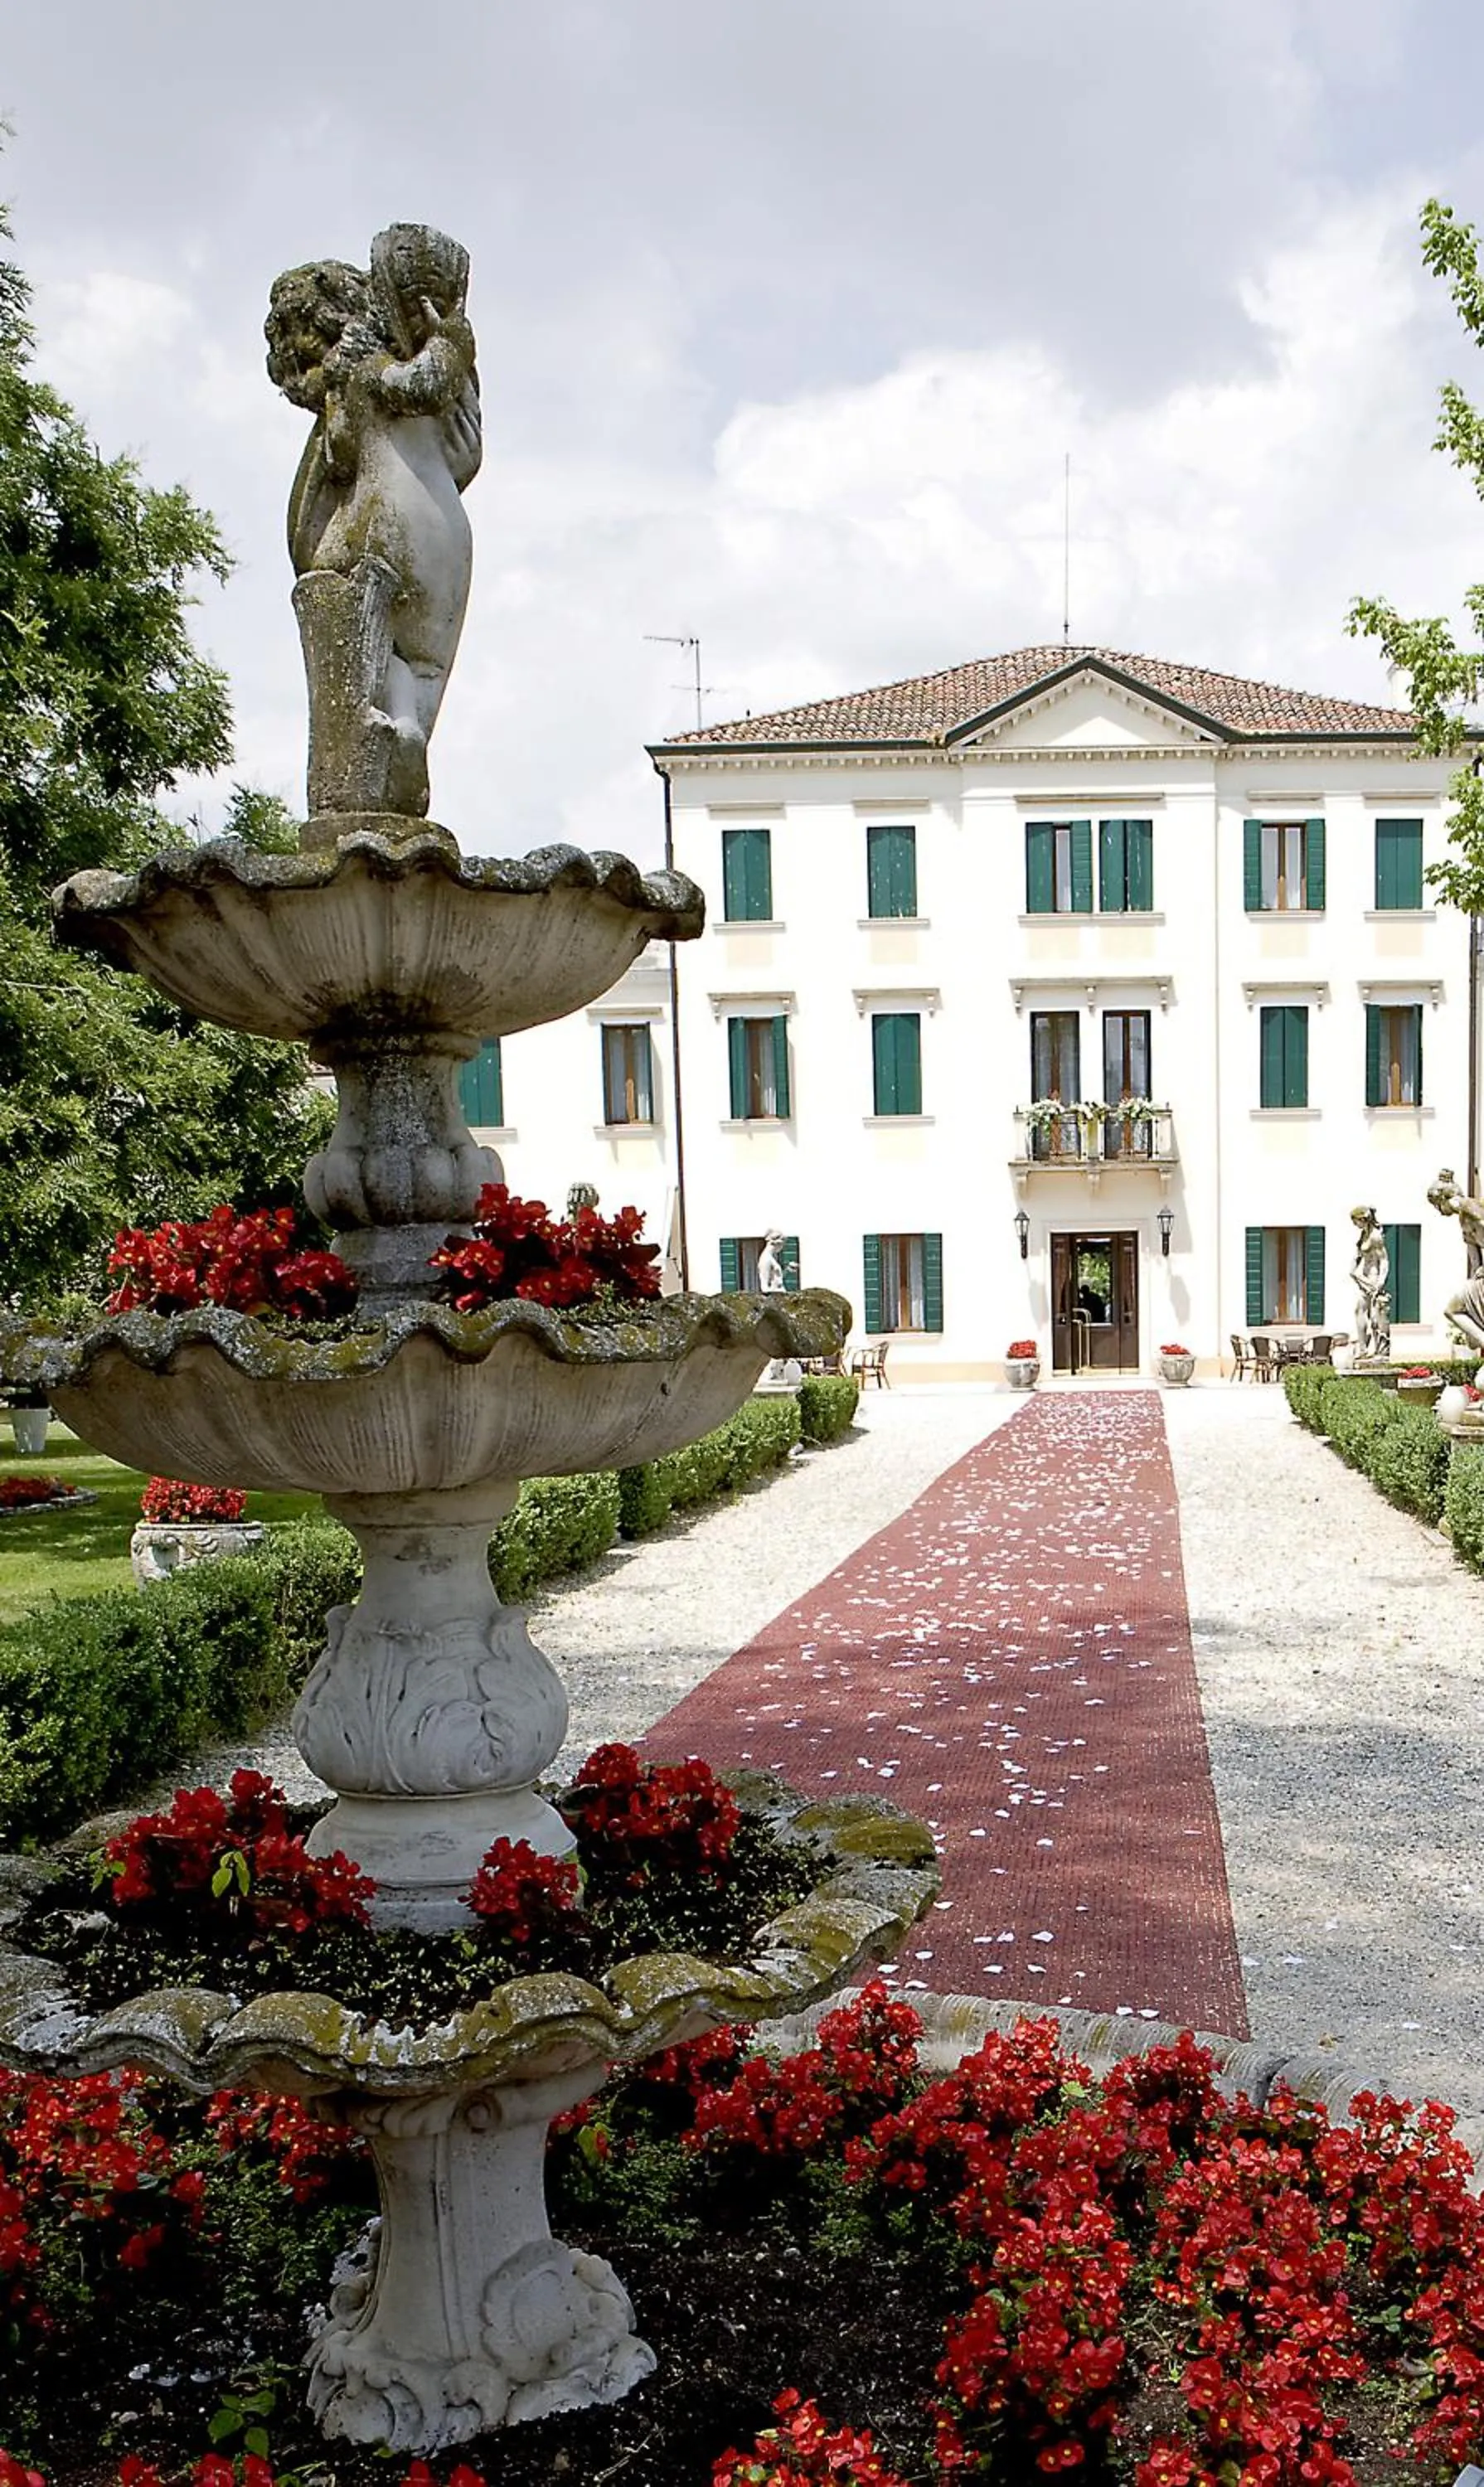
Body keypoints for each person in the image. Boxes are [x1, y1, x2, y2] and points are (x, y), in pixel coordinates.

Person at [265, 224, 482, 818]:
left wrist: (451, 344)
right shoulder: (449, 418)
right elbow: (468, 457)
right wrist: (456, 344)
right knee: (426, 663)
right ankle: (410, 728)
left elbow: (346, 445)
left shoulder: (362, 375)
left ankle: (394, 727)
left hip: (387, 521)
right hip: (449, 535)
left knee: (366, 634)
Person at [1428, 1168, 1484, 1355]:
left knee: (1452, 1310)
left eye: (1437, 1205)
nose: (1439, 1211)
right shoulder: (1463, 1219)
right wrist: (1473, 1283)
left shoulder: (1468, 1207)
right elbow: (1475, 1259)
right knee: (1456, 1311)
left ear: (1443, 1199)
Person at [1349, 1205, 1391, 1365]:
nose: (1355, 1225)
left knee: (1375, 1317)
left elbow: (1384, 1260)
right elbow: (1359, 1256)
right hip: (1363, 1278)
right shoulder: (1364, 1235)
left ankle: (1380, 1350)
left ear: (1362, 1219)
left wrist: (1380, 1281)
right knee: (1359, 1310)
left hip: (1372, 1278)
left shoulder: (1375, 1236)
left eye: (1356, 1222)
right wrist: (1354, 1269)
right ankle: (1362, 1348)